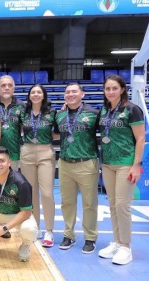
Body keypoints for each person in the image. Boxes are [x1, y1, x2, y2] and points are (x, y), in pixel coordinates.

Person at [97, 75, 145, 265]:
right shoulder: (104, 110)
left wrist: (136, 165)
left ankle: (126, 246)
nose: (110, 92)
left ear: (123, 89)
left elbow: (141, 138)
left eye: (114, 88)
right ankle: (117, 242)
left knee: (122, 205)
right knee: (112, 204)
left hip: (126, 162)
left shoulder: (132, 110)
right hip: (108, 162)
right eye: (107, 89)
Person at [55, 83, 100, 253]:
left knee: (89, 203)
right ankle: (69, 235)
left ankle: (90, 238)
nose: (70, 94)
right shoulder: (59, 115)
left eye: (74, 91)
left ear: (83, 94)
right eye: (67, 92)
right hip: (65, 163)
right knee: (67, 203)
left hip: (87, 162)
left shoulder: (94, 113)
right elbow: (54, 132)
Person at [18, 84, 56, 245]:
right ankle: (36, 227)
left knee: (46, 192)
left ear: (43, 95)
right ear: (29, 96)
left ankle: (49, 230)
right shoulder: (23, 113)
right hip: (27, 151)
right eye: (32, 92)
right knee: (31, 193)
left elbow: (56, 132)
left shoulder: (52, 113)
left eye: (38, 92)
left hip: (46, 151)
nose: (35, 94)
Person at [0, 75, 25, 171]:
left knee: (11, 182)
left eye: (10, 85)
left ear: (13, 89)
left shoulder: (21, 105)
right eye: (3, 85)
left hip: (13, 153)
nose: (7, 88)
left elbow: (25, 126)